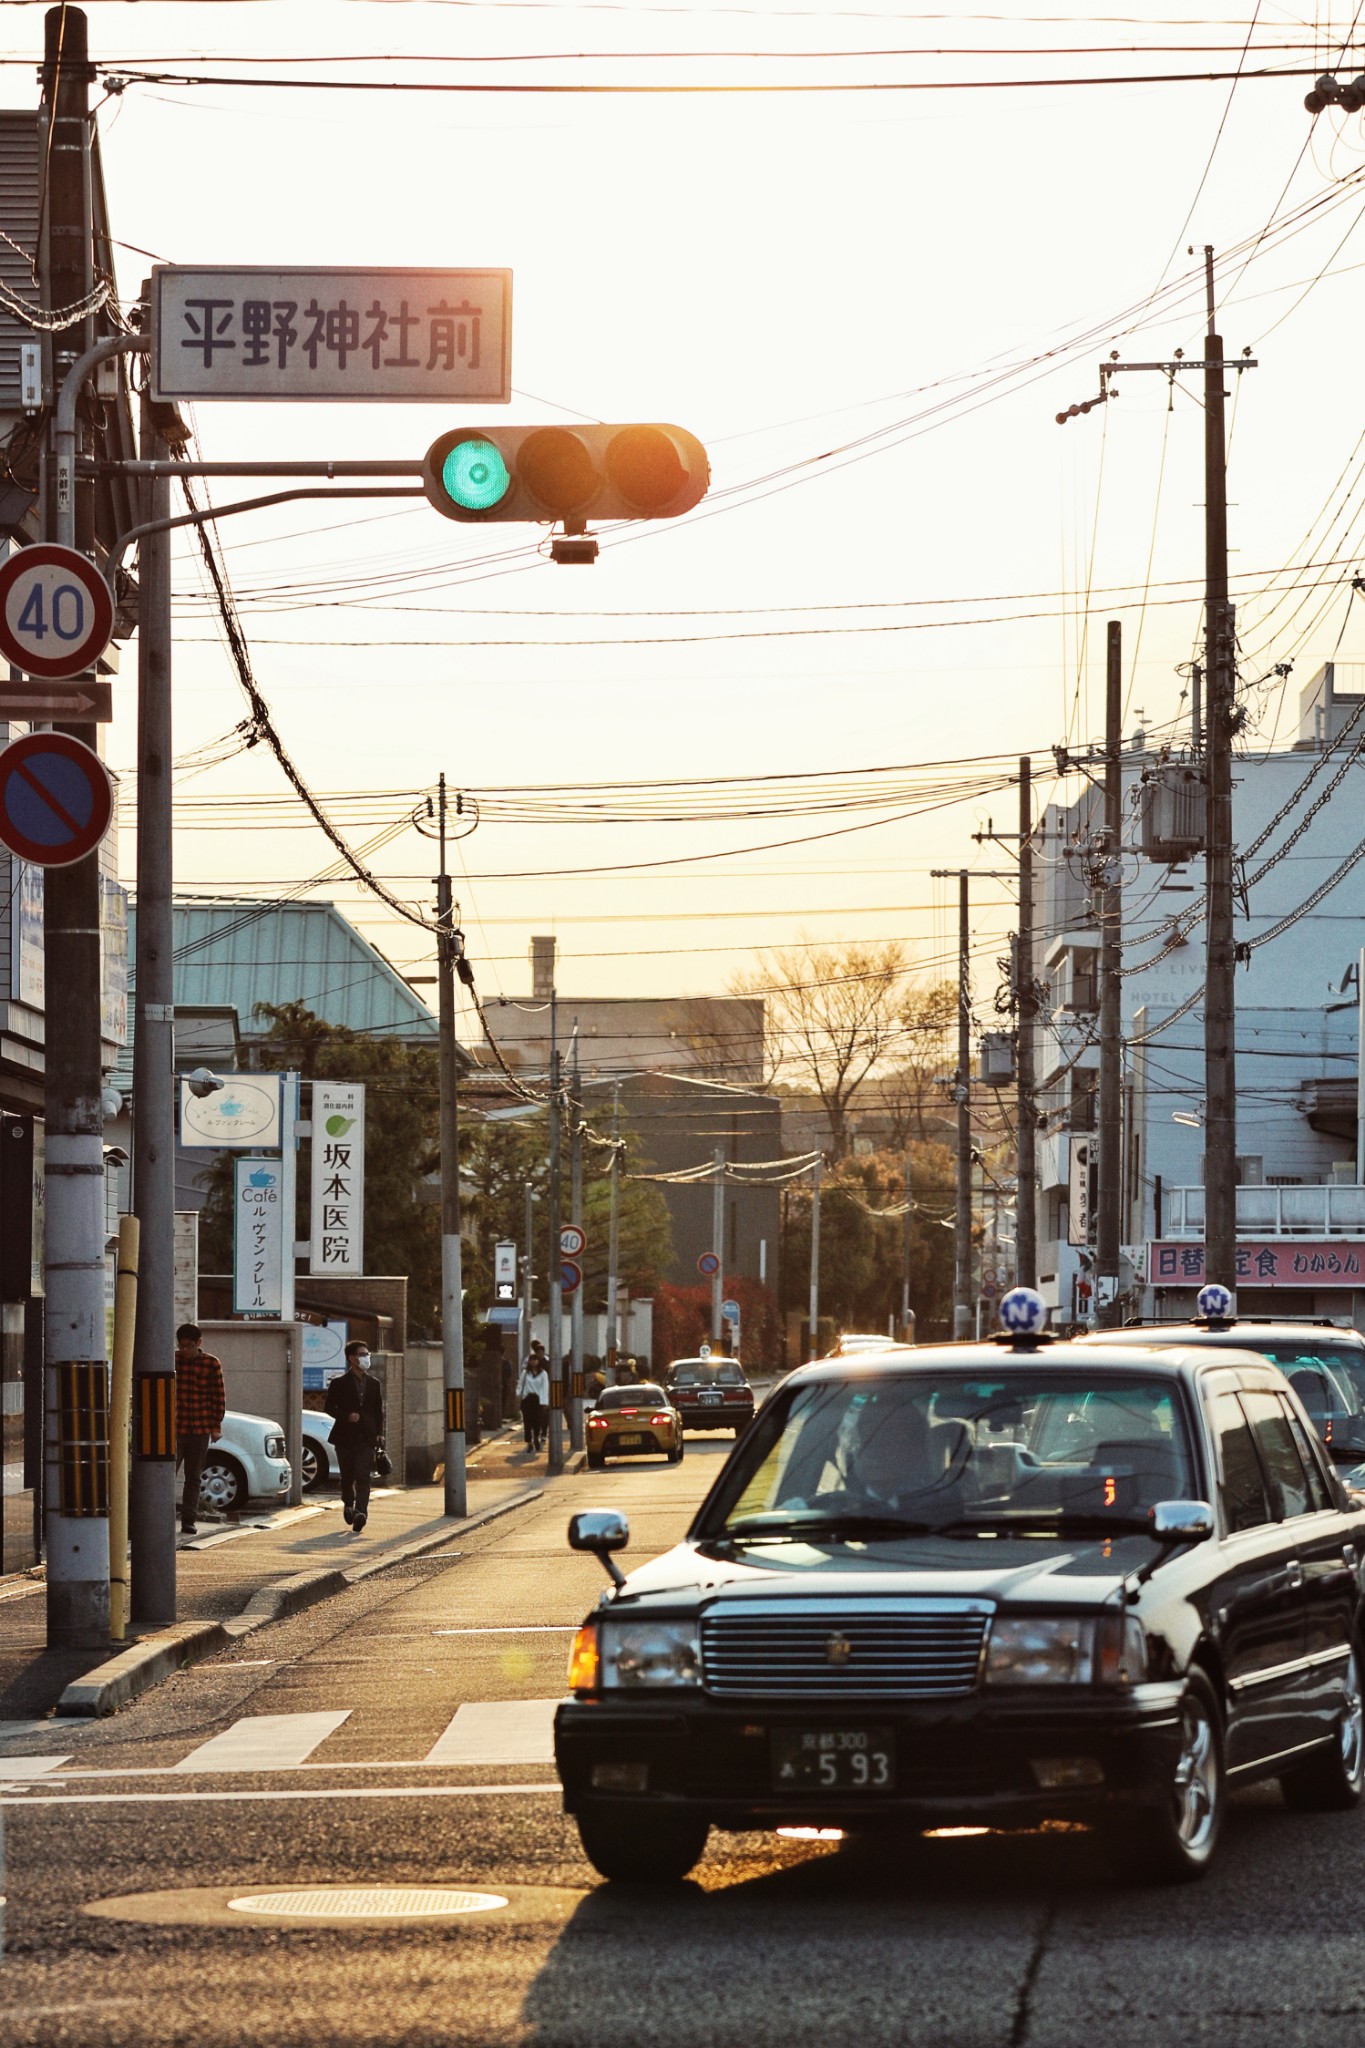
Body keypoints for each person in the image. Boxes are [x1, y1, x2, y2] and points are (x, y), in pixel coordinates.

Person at [324, 1339, 385, 1533]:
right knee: (347, 1475)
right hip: (344, 1436)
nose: (367, 1358)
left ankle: (361, 1513)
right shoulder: (339, 1383)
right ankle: (348, 1504)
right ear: (352, 1358)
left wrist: (379, 1433)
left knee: (363, 1475)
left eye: (367, 1354)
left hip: (366, 1437)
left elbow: (378, 1411)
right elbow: (329, 1408)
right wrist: (346, 1416)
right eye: (362, 1354)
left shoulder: (374, 1384)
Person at [175, 1322, 226, 1537]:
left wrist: (215, 1427)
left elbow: (218, 1397)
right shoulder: (173, 1360)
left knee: (194, 1477)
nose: (184, 1350)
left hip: (200, 1427)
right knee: (166, 1474)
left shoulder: (211, 1364)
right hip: (176, 1427)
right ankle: (163, 1516)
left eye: (189, 1346)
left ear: (199, 1343)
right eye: (182, 1346)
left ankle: (189, 1519)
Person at [517, 1341, 550, 1453]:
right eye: (532, 1360)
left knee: (537, 1421)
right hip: (527, 1399)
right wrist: (519, 1395)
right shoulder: (525, 1373)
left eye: (535, 1360)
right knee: (527, 1422)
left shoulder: (543, 1373)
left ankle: (536, 1437)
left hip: (538, 1400)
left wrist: (544, 1402)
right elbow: (520, 1384)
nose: (533, 1362)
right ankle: (529, 1442)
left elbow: (545, 1388)